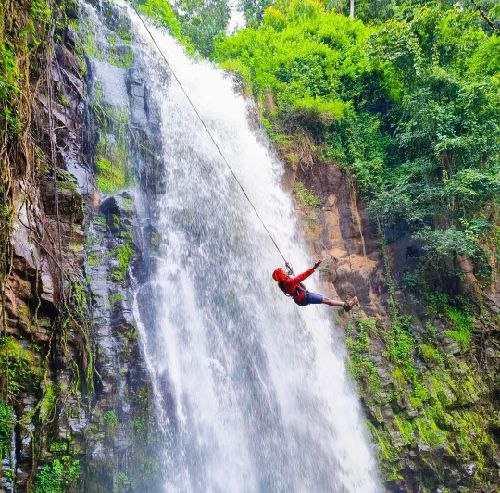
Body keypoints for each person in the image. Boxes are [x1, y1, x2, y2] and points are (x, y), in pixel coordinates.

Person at [272, 260, 358, 311]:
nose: (284, 272)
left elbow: (289, 276)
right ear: (282, 275)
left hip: (300, 298)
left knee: (325, 300)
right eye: (282, 272)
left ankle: (345, 305)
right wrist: (314, 268)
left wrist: (288, 268)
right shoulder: (289, 283)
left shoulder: (281, 283)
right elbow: (300, 277)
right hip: (304, 297)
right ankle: (346, 305)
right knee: (326, 300)